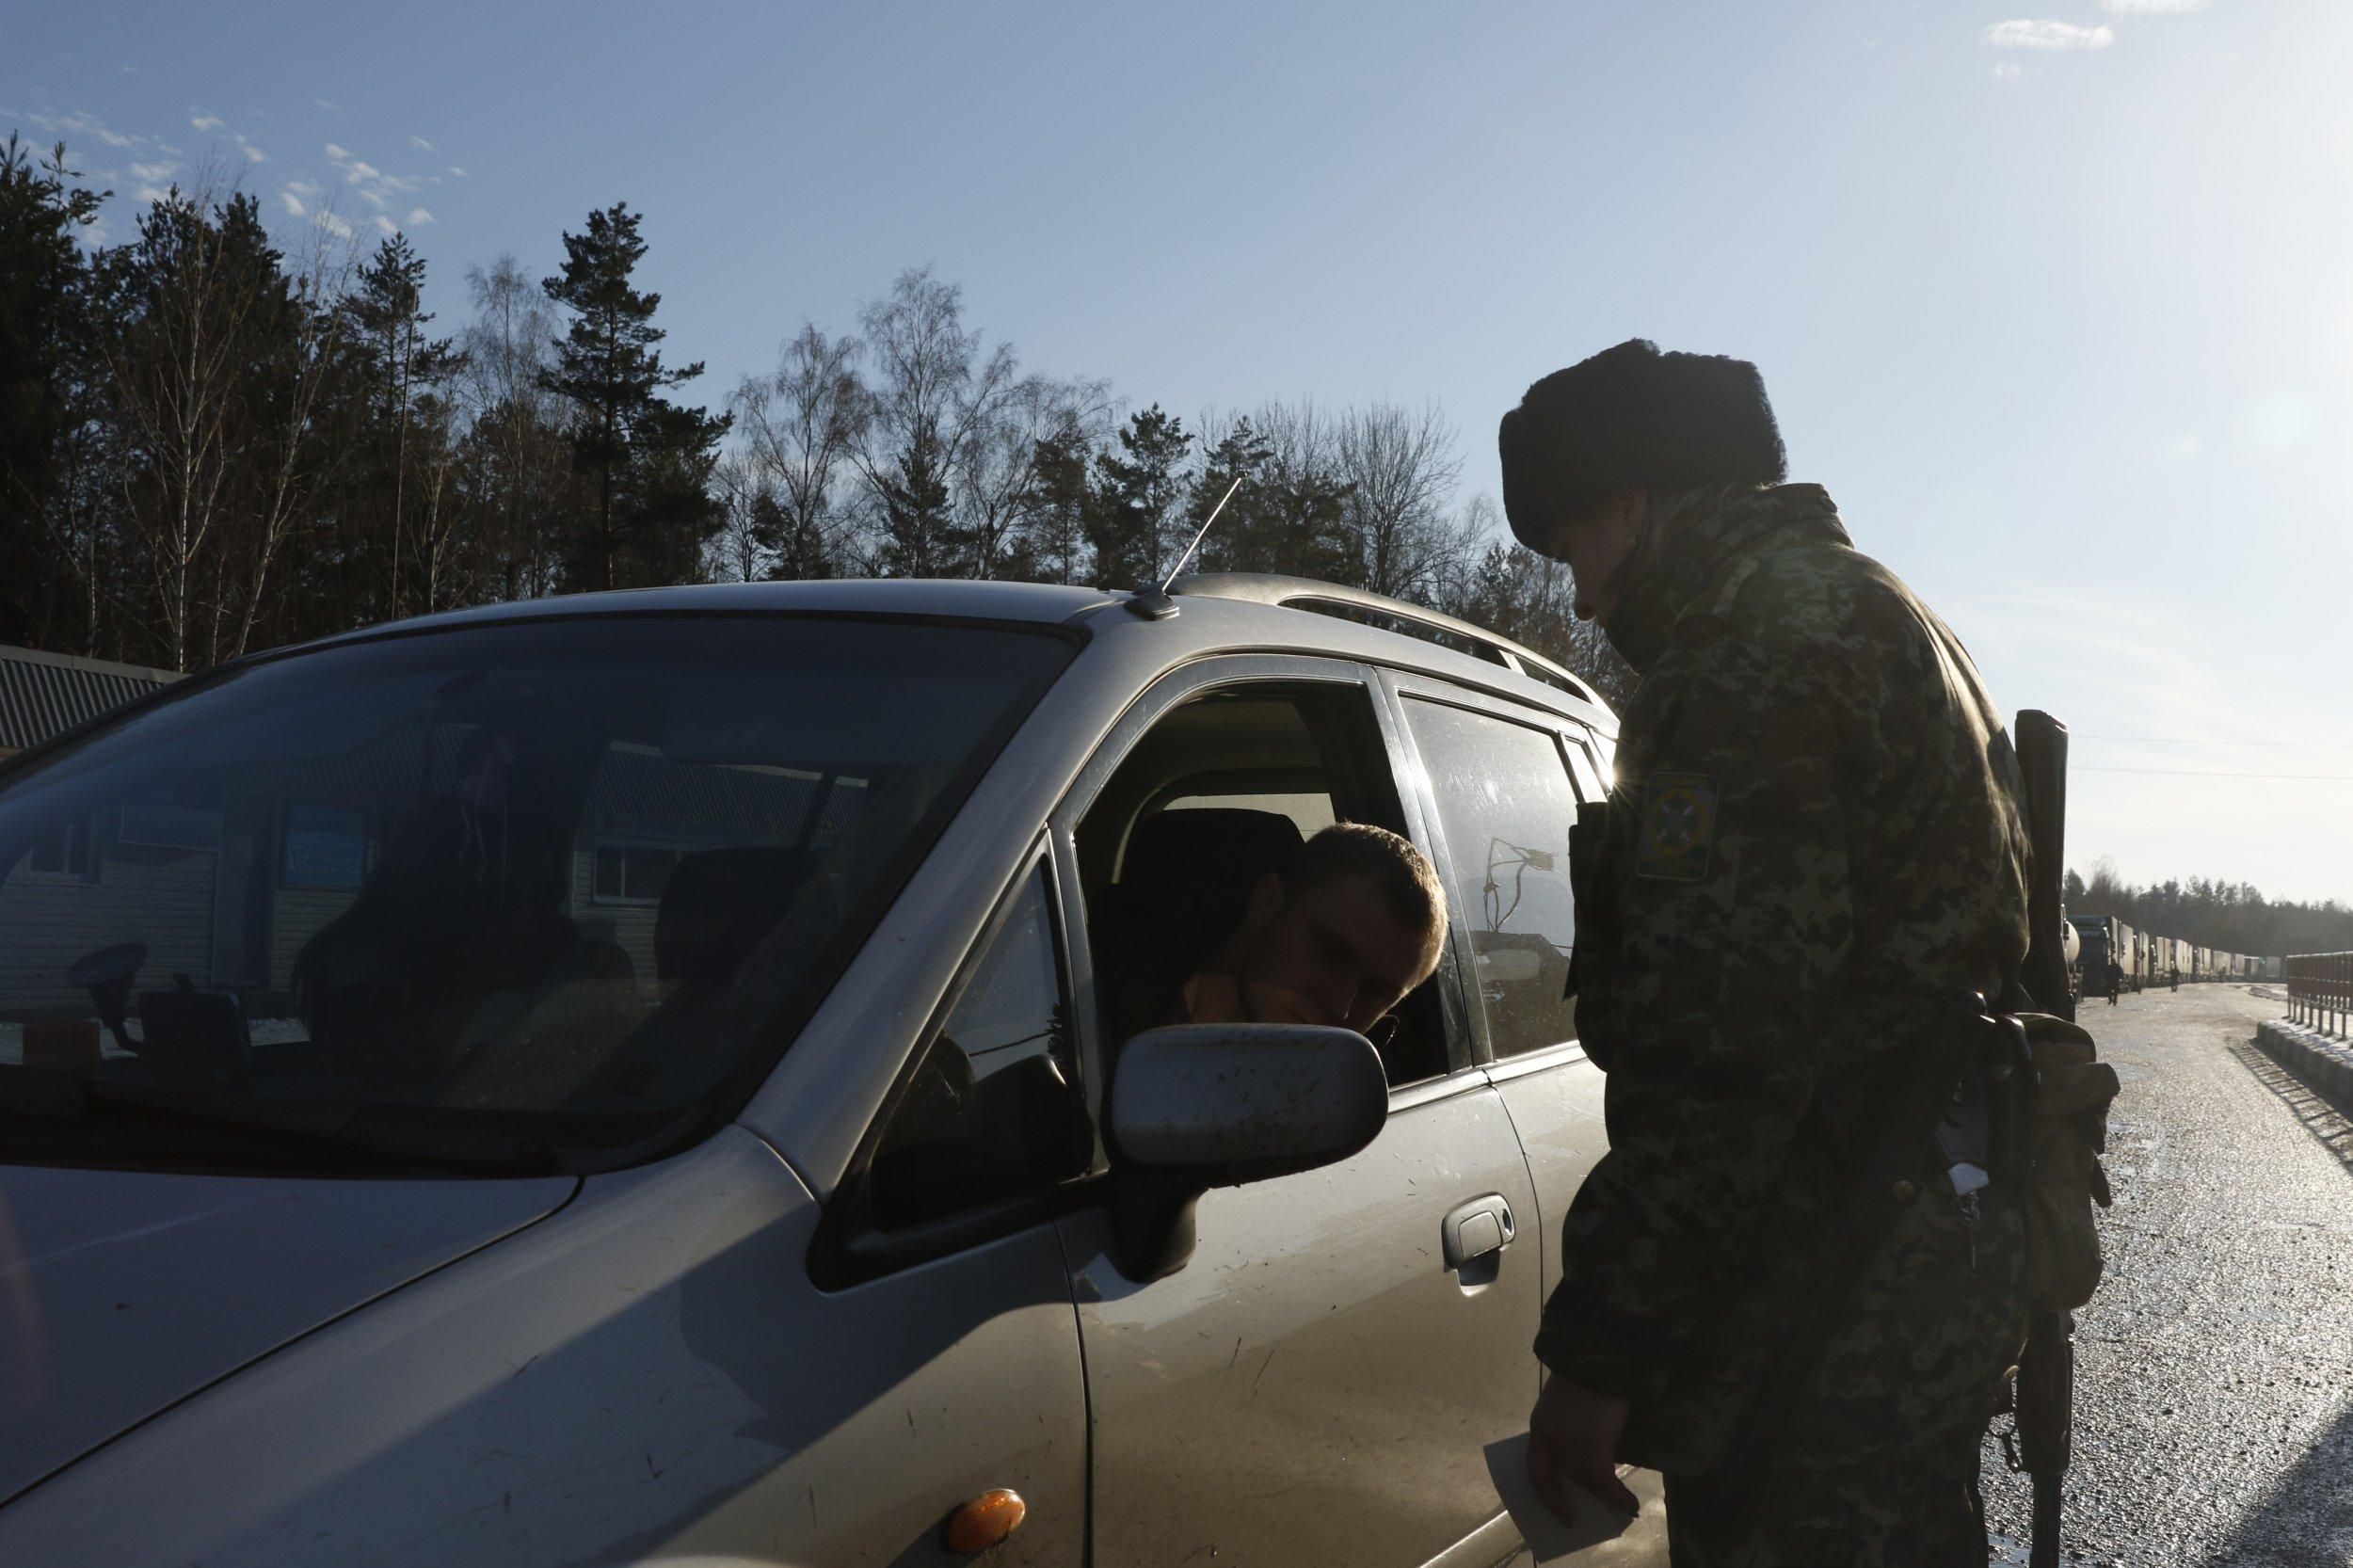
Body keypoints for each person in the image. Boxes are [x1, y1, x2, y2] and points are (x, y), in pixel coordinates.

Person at [1497, 340, 2032, 1565]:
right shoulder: (1884, 617)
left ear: (1632, 498)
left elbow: (1722, 1055)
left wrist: (1599, 1356)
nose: (1580, 594)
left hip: (1819, 1316)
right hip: (1916, 1281)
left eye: (1574, 544)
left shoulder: (1747, 660)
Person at [1168, 822, 1448, 1033]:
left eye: (1376, 993)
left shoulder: (1360, 1093)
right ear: (1267, 905)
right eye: (1333, 954)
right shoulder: (1129, 1036)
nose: (1340, 1008)